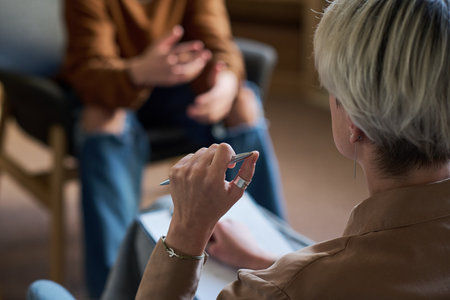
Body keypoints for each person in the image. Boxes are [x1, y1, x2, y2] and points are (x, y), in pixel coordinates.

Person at [133, 0, 450, 298]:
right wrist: (267, 260)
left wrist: (186, 232)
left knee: (151, 220)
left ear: (355, 123)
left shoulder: (279, 291)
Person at [61, 0, 285, 297]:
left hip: (180, 92)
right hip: (118, 86)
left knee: (243, 102)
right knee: (102, 118)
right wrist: (139, 71)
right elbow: (89, 69)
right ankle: (113, 284)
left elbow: (219, 44)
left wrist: (226, 83)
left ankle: (274, 261)